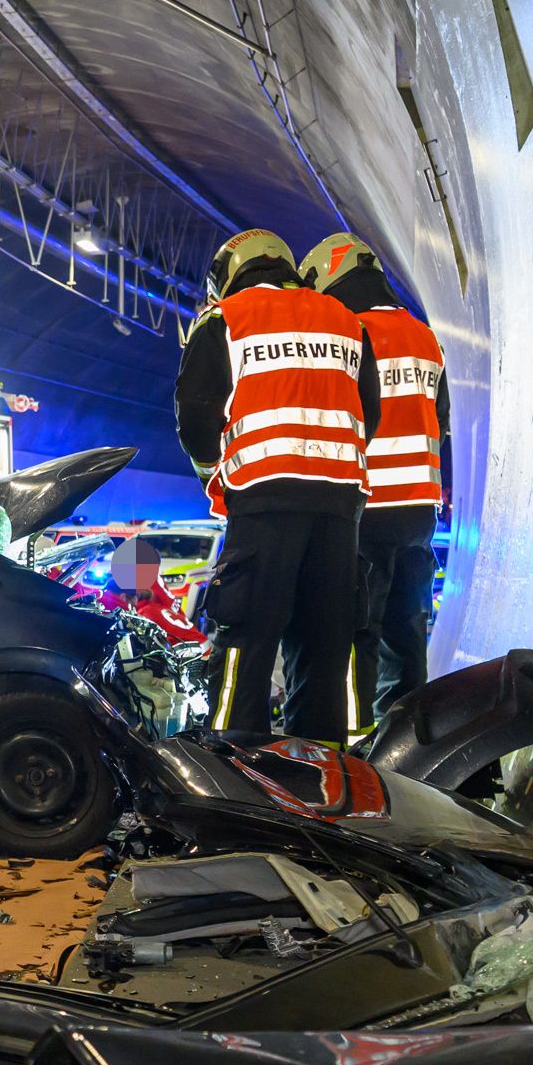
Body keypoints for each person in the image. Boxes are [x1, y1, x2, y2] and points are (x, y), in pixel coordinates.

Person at [173, 227, 382, 742]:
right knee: (324, 646)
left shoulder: (226, 319)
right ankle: (321, 778)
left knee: (246, 637)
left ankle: (234, 768)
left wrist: (213, 475)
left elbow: (195, 417)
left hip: (263, 504)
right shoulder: (347, 322)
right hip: (339, 511)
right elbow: (369, 413)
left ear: (228, 274)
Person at [304, 232, 451, 727]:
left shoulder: (349, 330)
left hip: (367, 510)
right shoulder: (424, 335)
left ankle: (354, 739)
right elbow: (442, 419)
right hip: (419, 512)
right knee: (407, 630)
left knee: (356, 632)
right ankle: (408, 736)